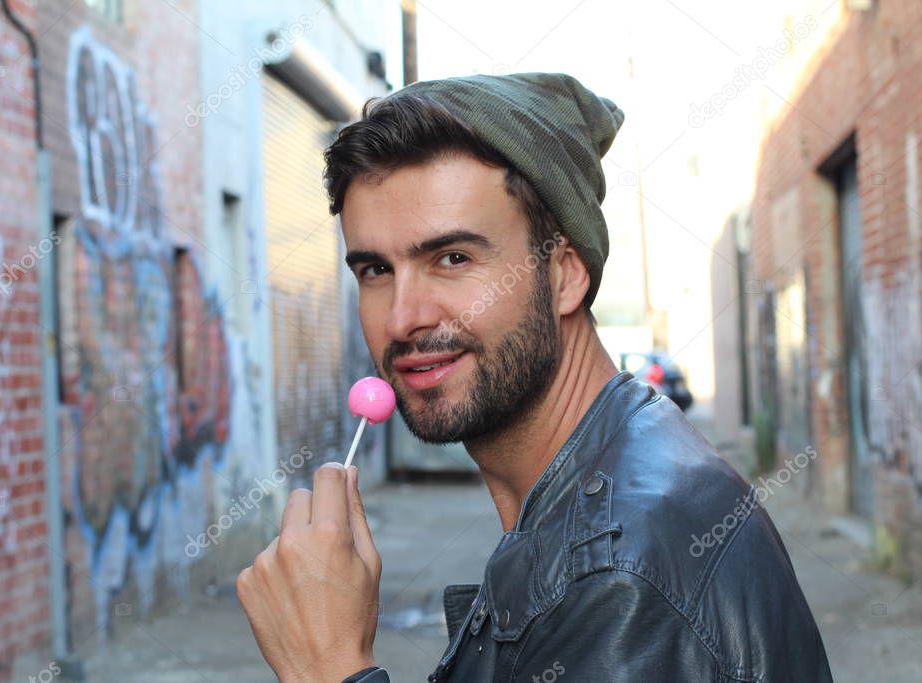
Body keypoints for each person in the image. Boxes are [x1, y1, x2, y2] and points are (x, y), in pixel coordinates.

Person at [235, 72, 833, 682]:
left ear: (566, 275)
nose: (402, 317)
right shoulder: (626, 460)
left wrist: (328, 666)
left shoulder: (619, 581)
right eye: (374, 270)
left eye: (453, 259)